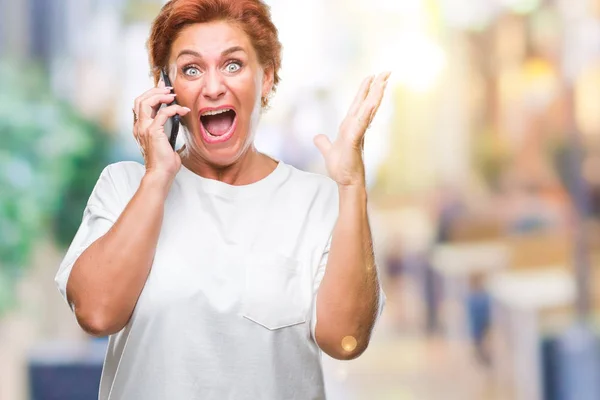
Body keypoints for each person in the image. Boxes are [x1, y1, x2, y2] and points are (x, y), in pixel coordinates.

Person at [54, 0, 388, 398]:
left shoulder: (318, 201)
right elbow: (96, 312)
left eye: (233, 64)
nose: (213, 87)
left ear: (266, 78)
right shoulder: (125, 187)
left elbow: (345, 338)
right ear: (167, 89)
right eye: (191, 69)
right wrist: (158, 175)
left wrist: (352, 187)